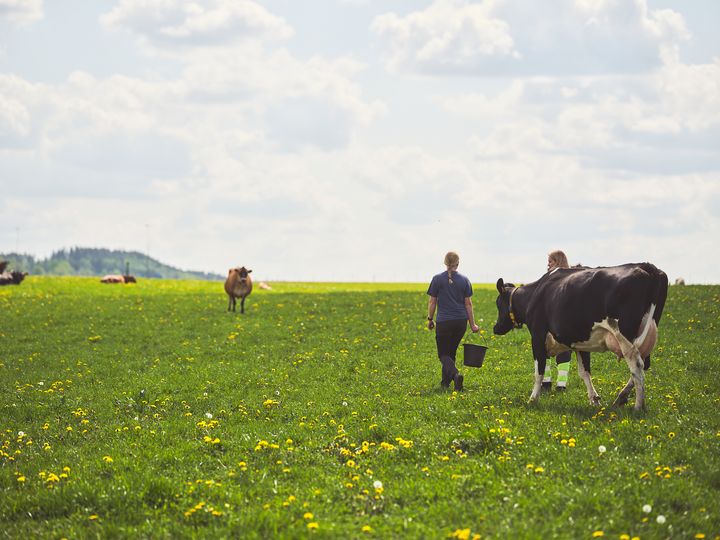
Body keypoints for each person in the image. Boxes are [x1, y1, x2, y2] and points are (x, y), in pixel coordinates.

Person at [427, 251, 480, 391]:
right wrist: (472, 324)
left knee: (443, 354)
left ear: (445, 263)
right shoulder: (464, 280)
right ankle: (446, 383)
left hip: (444, 322)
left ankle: (456, 375)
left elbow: (432, 302)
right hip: (460, 322)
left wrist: (430, 319)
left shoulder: (437, 279)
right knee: (451, 352)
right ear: (457, 263)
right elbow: (468, 304)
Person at [544, 249, 571, 391]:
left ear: (558, 262)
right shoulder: (573, 277)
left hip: (554, 320)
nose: (548, 265)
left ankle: (549, 383)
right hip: (564, 320)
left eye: (550, 261)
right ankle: (557, 384)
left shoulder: (551, 279)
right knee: (563, 349)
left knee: (546, 348)